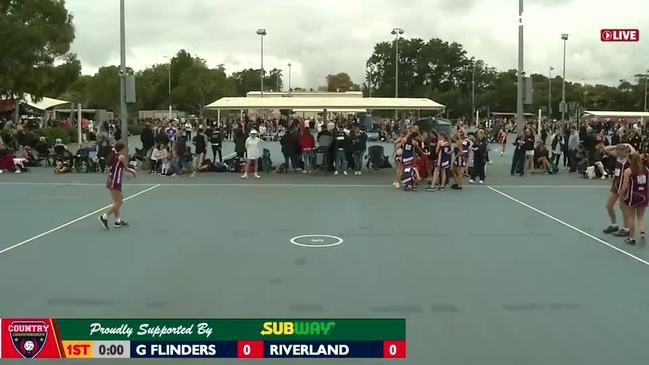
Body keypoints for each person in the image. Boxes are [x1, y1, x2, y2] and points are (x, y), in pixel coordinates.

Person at [99, 142, 136, 230]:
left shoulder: (113, 156)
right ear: (122, 149)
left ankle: (117, 221)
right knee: (119, 202)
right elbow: (126, 168)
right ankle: (104, 216)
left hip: (111, 180)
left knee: (116, 202)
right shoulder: (121, 157)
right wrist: (133, 172)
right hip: (115, 181)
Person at [602, 143, 634, 236]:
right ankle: (614, 225)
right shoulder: (618, 156)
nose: (618, 153)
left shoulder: (629, 158)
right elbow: (606, 149)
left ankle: (626, 228)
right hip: (616, 185)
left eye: (620, 151)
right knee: (609, 205)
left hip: (625, 186)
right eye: (617, 151)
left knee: (623, 207)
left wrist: (629, 145)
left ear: (625, 151)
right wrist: (616, 146)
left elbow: (635, 154)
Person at [619, 153, 649, 245]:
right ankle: (642, 231)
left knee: (631, 217)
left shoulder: (629, 171)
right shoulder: (646, 169)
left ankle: (632, 238)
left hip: (633, 195)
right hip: (644, 195)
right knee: (641, 216)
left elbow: (625, 186)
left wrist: (621, 194)